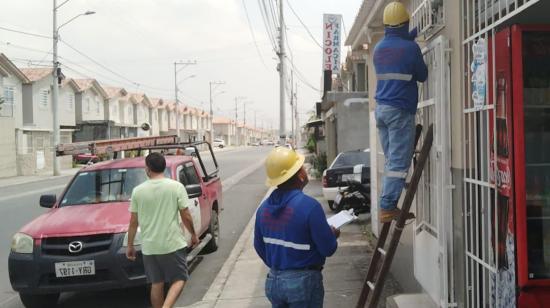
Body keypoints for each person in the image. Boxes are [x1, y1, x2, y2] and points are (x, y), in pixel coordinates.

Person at [254, 147, 340, 308]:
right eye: (302, 167)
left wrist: (281, 266)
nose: (305, 170)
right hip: (303, 283)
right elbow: (328, 249)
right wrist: (332, 234)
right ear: (300, 175)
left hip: (274, 281)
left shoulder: (263, 209)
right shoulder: (310, 207)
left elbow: (259, 246)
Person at [373, 2, 428, 223]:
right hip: (399, 111)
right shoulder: (410, 48)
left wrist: (408, 39)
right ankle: (387, 207)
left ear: (387, 25)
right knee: (397, 162)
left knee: (391, 161)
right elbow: (422, 75)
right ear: (405, 23)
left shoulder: (378, 49)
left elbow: (396, 51)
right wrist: (412, 43)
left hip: (381, 110)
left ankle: (391, 196)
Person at [126, 152, 199, 308]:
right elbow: (185, 214)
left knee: (156, 282)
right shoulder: (176, 187)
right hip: (172, 243)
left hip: (150, 247)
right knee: (180, 278)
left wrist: (130, 245)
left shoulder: (138, 191)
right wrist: (193, 234)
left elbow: (133, 222)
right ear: (163, 167)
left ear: (148, 168)